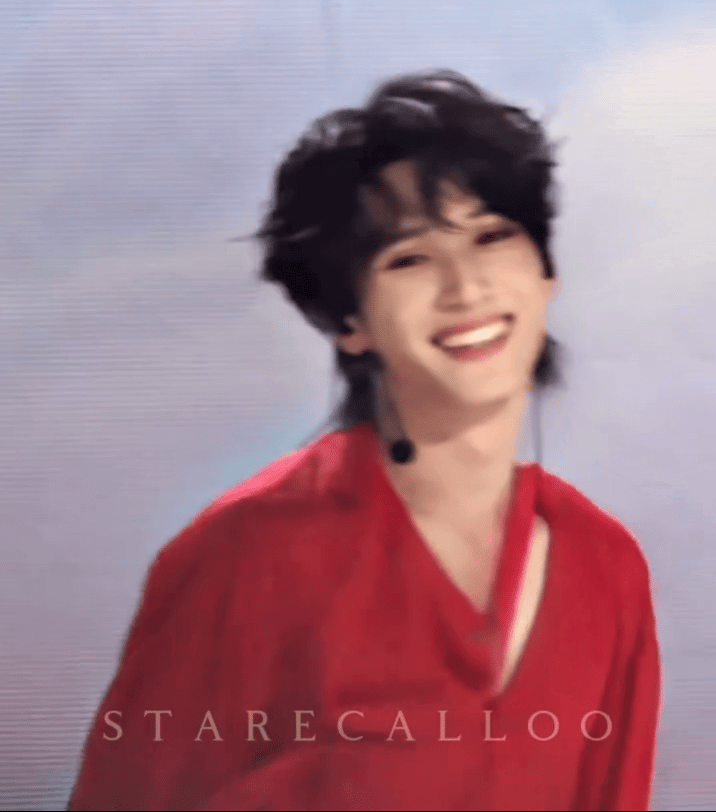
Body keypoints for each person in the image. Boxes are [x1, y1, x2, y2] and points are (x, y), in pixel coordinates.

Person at [68, 70, 662, 811]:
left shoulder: (607, 567)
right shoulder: (244, 555)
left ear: (546, 273)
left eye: (492, 237)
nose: (466, 288)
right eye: (409, 258)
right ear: (350, 321)